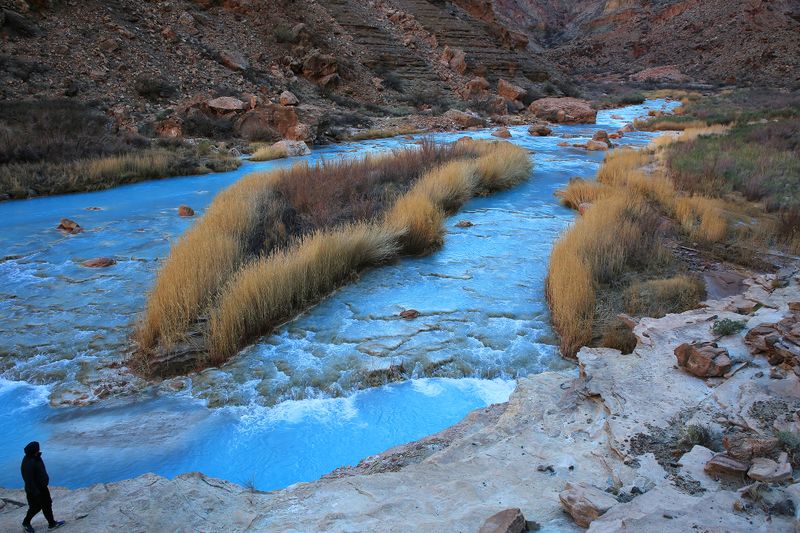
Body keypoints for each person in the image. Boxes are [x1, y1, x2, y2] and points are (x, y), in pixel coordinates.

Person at [20, 441, 65, 533]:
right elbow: (29, 480)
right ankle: (26, 523)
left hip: (42, 488)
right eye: (38, 448)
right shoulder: (29, 462)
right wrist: (36, 493)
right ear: (34, 450)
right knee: (35, 507)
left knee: (47, 505)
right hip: (34, 491)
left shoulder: (36, 457)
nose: (39, 449)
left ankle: (52, 524)